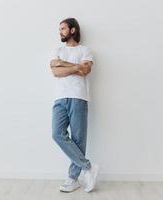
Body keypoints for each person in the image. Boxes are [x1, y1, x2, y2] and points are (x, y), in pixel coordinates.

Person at [50, 17, 99, 193]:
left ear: (72, 30)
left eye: (63, 28)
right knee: (57, 134)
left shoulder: (85, 50)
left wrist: (64, 64)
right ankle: (88, 167)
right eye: (59, 29)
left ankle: (73, 178)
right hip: (59, 98)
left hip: (79, 97)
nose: (60, 31)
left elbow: (85, 70)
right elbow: (55, 71)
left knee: (78, 139)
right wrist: (75, 67)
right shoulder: (58, 49)